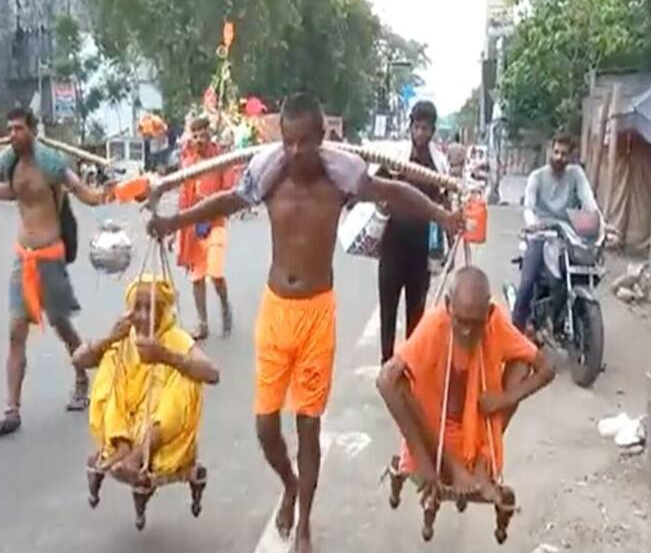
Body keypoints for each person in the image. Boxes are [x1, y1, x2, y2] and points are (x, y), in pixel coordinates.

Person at [149, 93, 462, 553]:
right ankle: (290, 484)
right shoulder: (268, 176)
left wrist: (442, 215)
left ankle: (305, 523)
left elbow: (395, 192)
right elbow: (224, 202)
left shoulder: (342, 180)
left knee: (309, 425)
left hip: (318, 313)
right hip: (276, 311)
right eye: (289, 142)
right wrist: (174, 220)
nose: (296, 152)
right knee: (265, 427)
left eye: (305, 142)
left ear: (322, 138)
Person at [0, 107, 115, 440]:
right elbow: (12, 192)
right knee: (16, 332)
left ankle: (82, 377)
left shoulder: (51, 163)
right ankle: (11, 410)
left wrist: (107, 193)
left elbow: (82, 192)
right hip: (23, 258)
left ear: (32, 130)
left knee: (62, 326)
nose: (12, 135)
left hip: (50, 257)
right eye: (9, 129)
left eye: (18, 129)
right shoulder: (10, 162)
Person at [376, 267, 555, 505]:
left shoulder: (495, 323)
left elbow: (546, 369)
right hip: (436, 439)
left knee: (521, 361)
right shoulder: (436, 324)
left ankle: (483, 462)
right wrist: (425, 463)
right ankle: (453, 467)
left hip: (478, 433)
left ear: (489, 313)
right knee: (399, 382)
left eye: (476, 323)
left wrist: (504, 399)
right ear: (449, 305)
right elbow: (384, 380)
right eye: (460, 321)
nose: (467, 332)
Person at [73, 274, 219, 487]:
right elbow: (78, 359)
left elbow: (213, 374)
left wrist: (165, 356)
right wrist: (109, 339)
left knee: (187, 380)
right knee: (109, 360)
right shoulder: (123, 337)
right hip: (125, 424)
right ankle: (121, 447)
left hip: (160, 431)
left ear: (163, 311)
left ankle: (138, 455)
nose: (143, 316)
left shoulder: (175, 339)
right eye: (137, 308)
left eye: (150, 308)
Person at [378, 100, 450, 365]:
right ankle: (386, 363)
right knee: (388, 307)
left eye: (426, 128)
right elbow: (375, 185)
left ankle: (410, 365)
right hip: (393, 242)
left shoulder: (438, 163)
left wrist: (449, 244)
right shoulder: (395, 156)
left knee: (416, 310)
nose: (420, 133)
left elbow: (445, 202)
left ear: (433, 130)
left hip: (421, 246)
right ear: (410, 127)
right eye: (417, 127)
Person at [512, 133, 599, 331]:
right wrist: (533, 224)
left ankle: (564, 317)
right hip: (541, 233)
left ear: (571, 156)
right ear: (551, 150)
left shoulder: (576, 174)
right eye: (557, 152)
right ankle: (515, 330)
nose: (560, 157)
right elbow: (529, 206)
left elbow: (588, 200)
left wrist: (598, 221)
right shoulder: (537, 177)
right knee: (527, 283)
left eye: (565, 154)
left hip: (567, 233)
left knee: (584, 270)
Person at [177, 116, 234, 340]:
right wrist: (177, 229)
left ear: (209, 135)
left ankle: (224, 305)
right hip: (193, 226)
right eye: (196, 135)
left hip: (216, 223)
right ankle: (203, 324)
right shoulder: (188, 161)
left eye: (203, 134)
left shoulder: (221, 159)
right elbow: (183, 195)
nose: (200, 139)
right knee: (197, 278)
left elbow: (229, 190)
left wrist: (213, 211)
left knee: (216, 272)